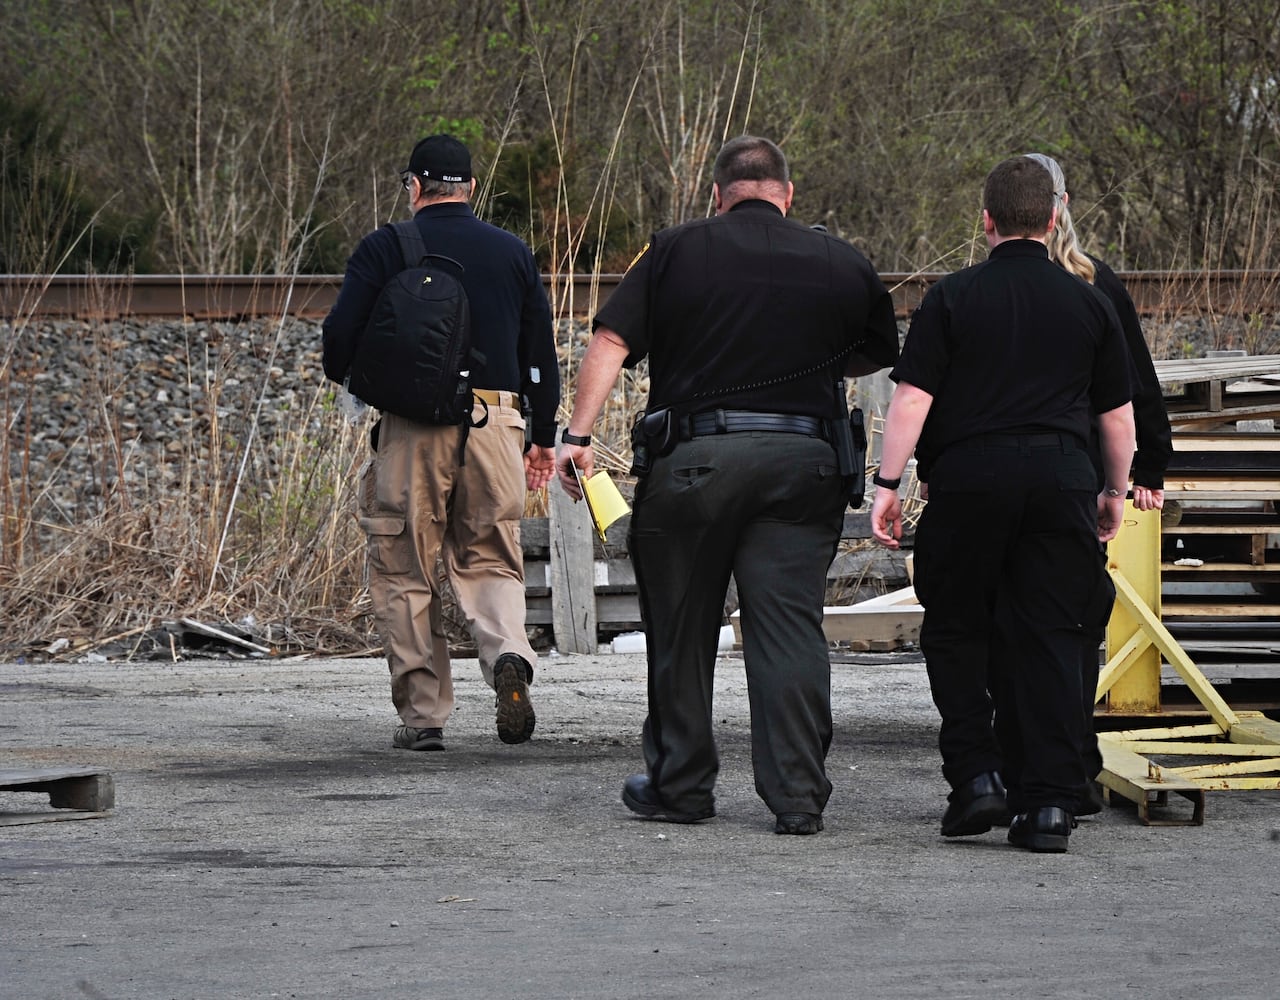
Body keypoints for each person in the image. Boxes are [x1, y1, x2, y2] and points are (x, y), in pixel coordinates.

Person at [555, 135, 899, 835]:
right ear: (787, 194)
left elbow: (611, 343)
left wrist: (578, 438)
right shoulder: (840, 258)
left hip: (693, 465)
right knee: (789, 629)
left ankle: (681, 786)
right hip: (804, 470)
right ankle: (798, 797)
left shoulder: (676, 248)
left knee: (681, 629)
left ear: (718, 196)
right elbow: (874, 353)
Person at [870, 156, 1136, 853]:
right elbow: (1117, 419)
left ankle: (977, 778)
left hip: (969, 482)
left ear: (985, 220)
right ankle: (1048, 806)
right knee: (1049, 638)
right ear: (1053, 220)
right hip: (1058, 482)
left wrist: (888, 485)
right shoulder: (1090, 302)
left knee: (957, 631)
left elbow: (912, 400)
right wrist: (1111, 492)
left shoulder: (953, 298)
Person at [322, 134, 560, 752]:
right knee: (489, 553)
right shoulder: (511, 251)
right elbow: (541, 352)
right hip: (499, 422)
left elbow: (338, 340)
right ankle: (508, 656)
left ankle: (425, 716)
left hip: (415, 427)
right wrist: (541, 435)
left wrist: (371, 380)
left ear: (414, 187)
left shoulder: (385, 247)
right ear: (472, 189)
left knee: (404, 566)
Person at [1019, 152, 1174, 815]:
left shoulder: (991, 284)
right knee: (1073, 621)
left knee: (1024, 621)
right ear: (1064, 204)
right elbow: (1133, 387)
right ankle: (1070, 762)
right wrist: (1143, 469)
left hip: (1019, 472)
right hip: (1078, 473)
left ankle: (1036, 760)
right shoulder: (1095, 284)